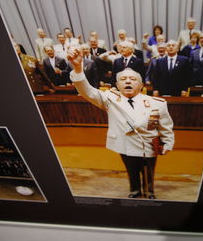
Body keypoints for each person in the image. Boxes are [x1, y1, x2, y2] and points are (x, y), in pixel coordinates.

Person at [67, 46, 174, 199]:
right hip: (125, 144)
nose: (128, 81)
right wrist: (78, 68)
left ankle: (149, 191)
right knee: (131, 170)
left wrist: (168, 143)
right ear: (117, 85)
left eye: (132, 79)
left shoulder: (157, 103)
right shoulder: (110, 99)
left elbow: (166, 127)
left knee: (149, 171)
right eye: (123, 79)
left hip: (148, 144)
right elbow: (88, 91)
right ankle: (135, 190)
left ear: (141, 85)